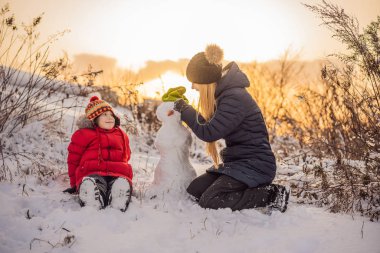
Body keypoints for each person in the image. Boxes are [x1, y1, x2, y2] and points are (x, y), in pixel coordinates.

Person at [171, 44, 290, 212]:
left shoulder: (235, 98)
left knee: (210, 200)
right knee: (195, 190)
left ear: (207, 81)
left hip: (256, 165)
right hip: (238, 163)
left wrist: (185, 110)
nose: (192, 87)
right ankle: (242, 190)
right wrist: (186, 109)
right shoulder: (225, 95)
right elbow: (210, 124)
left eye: (195, 82)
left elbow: (209, 132)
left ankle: (273, 195)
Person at [63, 96, 133, 212]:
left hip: (117, 171)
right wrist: (74, 184)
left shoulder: (122, 135)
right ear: (94, 119)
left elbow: (126, 156)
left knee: (119, 181)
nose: (109, 117)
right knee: (95, 181)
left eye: (111, 115)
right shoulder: (84, 134)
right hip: (93, 170)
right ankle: (91, 196)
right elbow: (73, 160)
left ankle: (118, 195)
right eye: (104, 115)